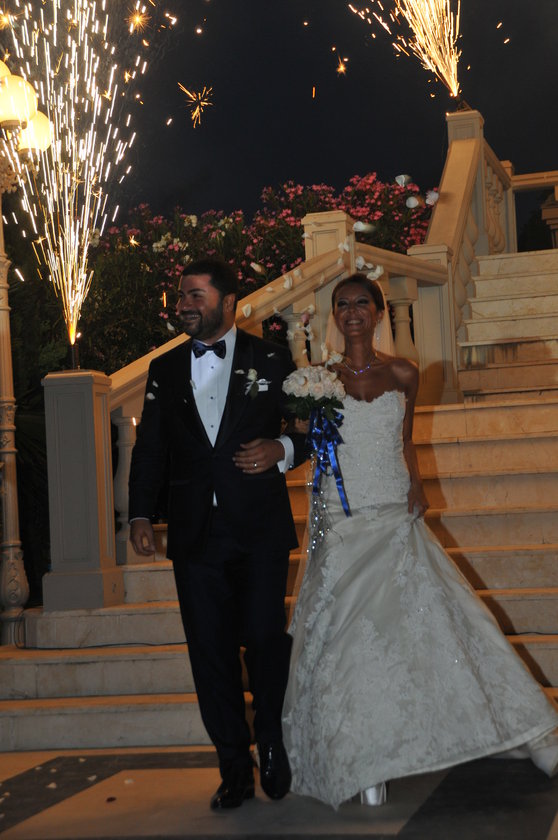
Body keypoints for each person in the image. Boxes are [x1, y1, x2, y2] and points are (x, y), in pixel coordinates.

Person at [282, 273, 558, 810]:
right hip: (341, 519)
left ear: (379, 312)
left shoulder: (404, 372)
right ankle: (364, 758)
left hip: (393, 512)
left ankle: (523, 728)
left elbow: (404, 440)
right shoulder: (317, 379)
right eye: (343, 304)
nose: (353, 312)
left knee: (445, 619)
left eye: (362, 303)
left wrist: (418, 482)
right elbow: (310, 447)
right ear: (335, 315)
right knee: (347, 637)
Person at [128, 257, 306, 810]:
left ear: (229, 302)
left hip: (258, 529)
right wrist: (139, 514)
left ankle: (270, 738)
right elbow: (151, 446)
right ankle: (233, 765)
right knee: (210, 652)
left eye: (196, 296)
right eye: (182, 295)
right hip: (194, 534)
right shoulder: (164, 368)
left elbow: (308, 427)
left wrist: (282, 449)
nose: (184, 304)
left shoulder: (272, 358)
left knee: (266, 640)